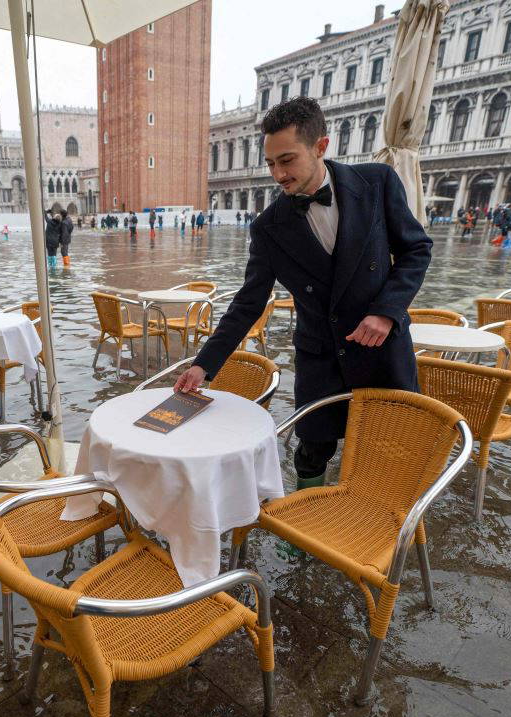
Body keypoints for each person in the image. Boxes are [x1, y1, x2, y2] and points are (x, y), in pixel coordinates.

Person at [173, 97, 431, 488]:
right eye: (271, 163)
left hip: (383, 350)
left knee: (390, 446)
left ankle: (383, 524)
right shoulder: (267, 226)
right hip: (320, 356)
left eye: (287, 160)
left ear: (320, 147)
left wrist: (386, 310)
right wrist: (203, 365)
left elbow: (416, 249)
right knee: (311, 450)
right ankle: (305, 534)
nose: (278, 175)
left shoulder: (377, 182)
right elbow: (248, 302)